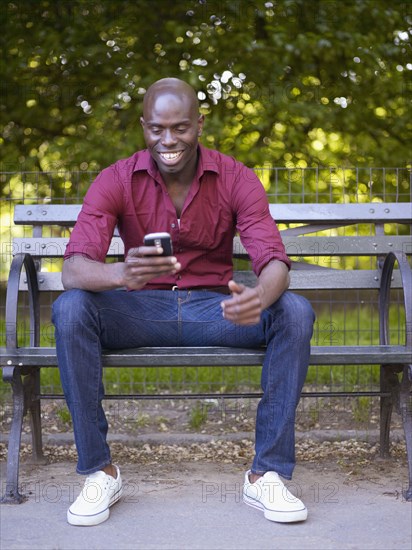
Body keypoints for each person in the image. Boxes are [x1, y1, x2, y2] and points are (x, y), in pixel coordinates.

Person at [52, 77, 315, 526]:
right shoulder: (116, 178)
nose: (168, 139)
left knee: (294, 311)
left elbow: (275, 262)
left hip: (216, 311)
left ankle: (266, 474)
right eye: (157, 128)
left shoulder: (236, 177)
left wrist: (257, 298)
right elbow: (73, 270)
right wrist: (120, 273)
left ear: (199, 124)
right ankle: (100, 471)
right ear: (143, 126)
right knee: (71, 307)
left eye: (180, 127)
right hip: (139, 311)